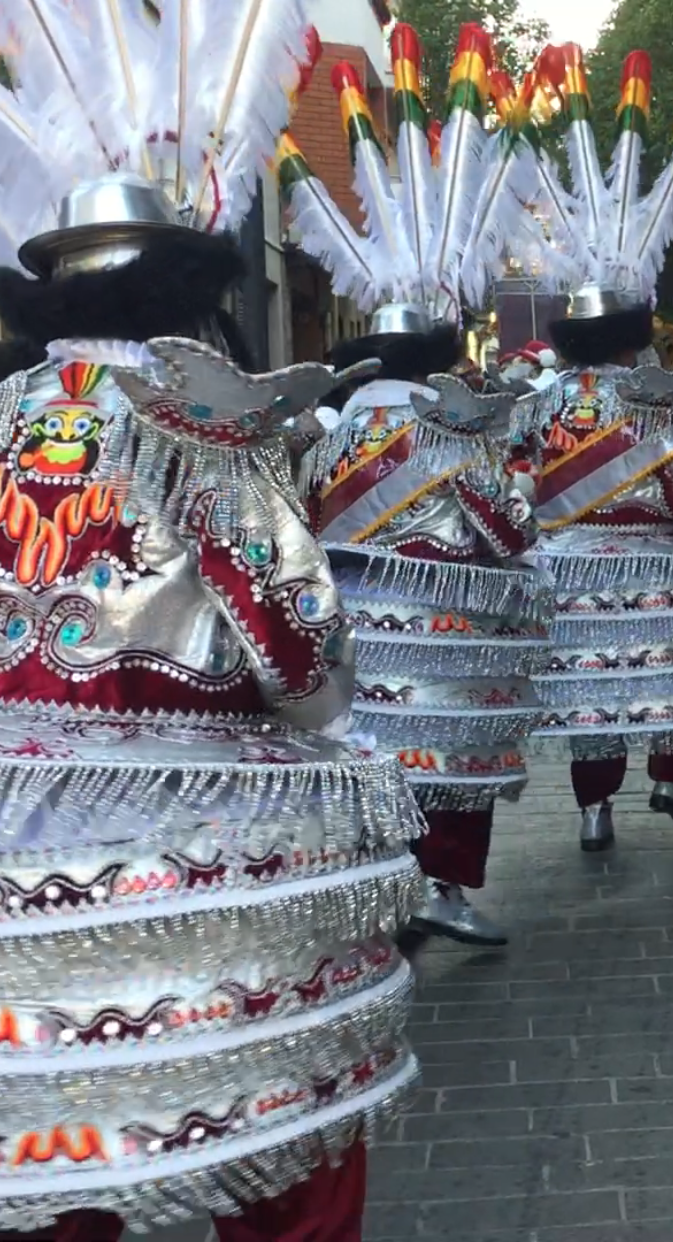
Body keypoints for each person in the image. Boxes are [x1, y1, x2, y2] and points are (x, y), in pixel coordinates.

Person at [0, 7, 421, 1239]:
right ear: (183, 278)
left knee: (43, 1102)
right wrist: (316, 716)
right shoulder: (203, 421)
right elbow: (296, 652)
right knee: (280, 1109)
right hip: (192, 822)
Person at [281, 26, 547, 947]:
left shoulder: (326, 427)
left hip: (351, 633)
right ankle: (445, 890)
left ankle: (372, 891)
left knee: (368, 766)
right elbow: (505, 531)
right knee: (452, 768)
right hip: (443, 638)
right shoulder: (449, 428)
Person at [508, 44, 673, 852]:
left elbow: (518, 481)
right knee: (669, 670)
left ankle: (592, 809)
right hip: (655, 561)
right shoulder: (650, 396)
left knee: (594, 696)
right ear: (631, 334)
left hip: (569, 562)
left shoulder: (540, 400)